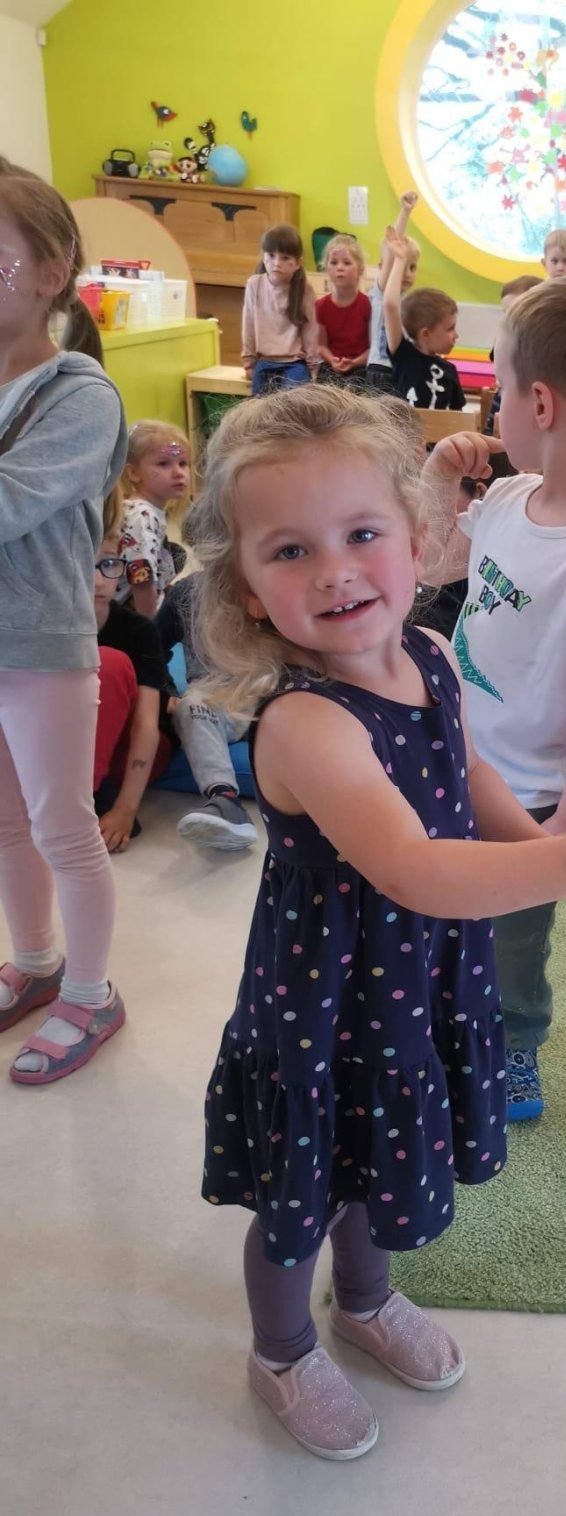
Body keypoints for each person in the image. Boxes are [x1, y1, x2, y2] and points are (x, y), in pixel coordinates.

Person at [187, 384, 566, 1460]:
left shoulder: (433, 657)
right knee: (306, 1186)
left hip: (417, 977)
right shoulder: (306, 724)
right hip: (327, 994)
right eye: (291, 551)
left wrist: (548, 842)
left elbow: (468, 774)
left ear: (414, 535)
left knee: (380, 1149)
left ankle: (365, 1299)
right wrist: (559, 864)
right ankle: (282, 1350)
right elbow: (414, 868)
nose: (336, 570)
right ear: (248, 588)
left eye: (362, 534)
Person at [421, 275, 566, 1123]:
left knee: (514, 942)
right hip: (456, 758)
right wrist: (437, 481)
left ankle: (515, 1043)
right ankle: (444, 1022)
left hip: (529, 799)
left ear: (542, 404)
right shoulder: (512, 497)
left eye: (500, 386)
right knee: (443, 907)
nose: (494, 407)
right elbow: (432, 568)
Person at [0, 165, 128, 1085]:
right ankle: (37, 961)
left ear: (51, 273)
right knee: (5, 821)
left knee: (61, 827)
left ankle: (89, 992)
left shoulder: (78, 393)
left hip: (42, 646)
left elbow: (9, 501)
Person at [156, 572, 258, 851]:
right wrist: (166, 691)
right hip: (216, 696)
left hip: (276, 691)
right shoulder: (186, 593)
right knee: (192, 705)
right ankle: (226, 801)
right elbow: (151, 647)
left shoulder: (275, 581)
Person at [93, 531, 173, 852]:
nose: (98, 581)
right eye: (83, 564)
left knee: (108, 664)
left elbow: (146, 725)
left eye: (108, 565)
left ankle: (88, 794)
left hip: (131, 747)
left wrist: (126, 808)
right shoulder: (46, 627)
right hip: (67, 750)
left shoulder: (138, 631)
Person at [113, 419, 190, 619]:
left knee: (178, 554)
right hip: (132, 617)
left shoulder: (146, 510)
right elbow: (141, 581)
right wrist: (151, 629)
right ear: (133, 473)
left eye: (183, 463)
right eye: (163, 464)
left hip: (139, 606)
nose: (178, 473)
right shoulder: (142, 516)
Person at [240, 224, 319, 396]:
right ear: (263, 257)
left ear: (297, 263)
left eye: (285, 258)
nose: (277, 263)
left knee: (293, 403)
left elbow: (311, 331)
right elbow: (248, 325)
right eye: (271, 255)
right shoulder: (254, 285)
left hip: (295, 363)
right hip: (264, 361)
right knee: (260, 407)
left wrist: (313, 367)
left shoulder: (304, 289)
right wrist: (249, 362)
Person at [365, 191, 419, 393]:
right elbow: (393, 249)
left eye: (412, 267)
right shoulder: (382, 293)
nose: (407, 273)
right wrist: (405, 211)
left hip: (403, 372)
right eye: (402, 266)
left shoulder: (411, 303)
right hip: (380, 371)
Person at [384, 285, 465, 410]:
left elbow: (457, 414)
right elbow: (390, 305)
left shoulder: (449, 371)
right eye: (450, 329)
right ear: (426, 334)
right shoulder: (404, 357)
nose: (456, 335)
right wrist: (399, 270)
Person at [483, 275, 541, 436]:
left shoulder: (544, 345)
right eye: (505, 312)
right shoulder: (504, 338)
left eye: (516, 312)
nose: (508, 319)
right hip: (504, 403)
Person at [315, 234, 371, 383]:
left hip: (361, 367)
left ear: (360, 269)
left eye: (347, 263)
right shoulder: (320, 306)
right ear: (326, 268)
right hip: (330, 366)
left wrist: (354, 362)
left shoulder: (367, 305)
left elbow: (372, 349)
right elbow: (321, 345)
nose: (340, 267)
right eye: (334, 262)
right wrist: (332, 360)